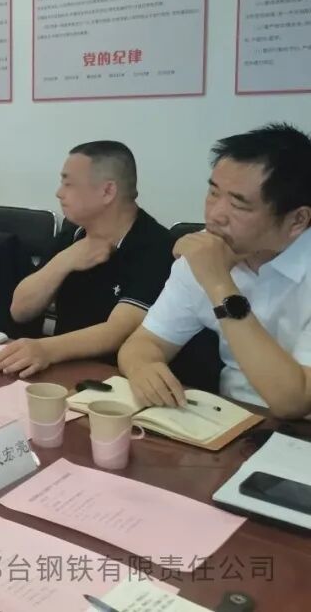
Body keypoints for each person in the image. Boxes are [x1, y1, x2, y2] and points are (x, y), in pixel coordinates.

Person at [119, 123, 311, 419]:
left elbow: (294, 402)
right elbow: (145, 343)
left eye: (239, 204)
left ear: (297, 220)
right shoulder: (206, 252)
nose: (215, 215)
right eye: (213, 193)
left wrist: (219, 283)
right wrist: (142, 367)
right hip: (231, 420)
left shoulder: (209, 263)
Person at [0, 141, 173, 377]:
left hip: (119, 376)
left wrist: (45, 349)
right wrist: (65, 261)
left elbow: (117, 332)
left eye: (68, 183)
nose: (59, 193)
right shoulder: (74, 233)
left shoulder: (156, 246)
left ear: (107, 191)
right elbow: (20, 310)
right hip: (63, 367)